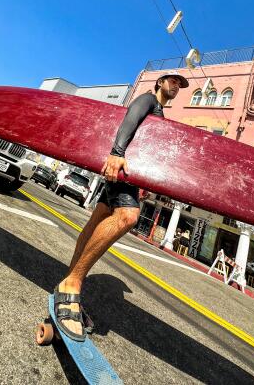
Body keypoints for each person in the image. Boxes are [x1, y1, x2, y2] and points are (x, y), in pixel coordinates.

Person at [54, 71, 189, 340]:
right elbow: (132, 116)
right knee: (128, 216)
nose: (176, 86)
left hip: (128, 172)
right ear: (161, 82)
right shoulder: (149, 100)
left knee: (97, 220)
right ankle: (72, 282)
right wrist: (116, 153)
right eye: (173, 81)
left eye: (180, 85)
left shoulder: (159, 109)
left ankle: (68, 279)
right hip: (120, 166)